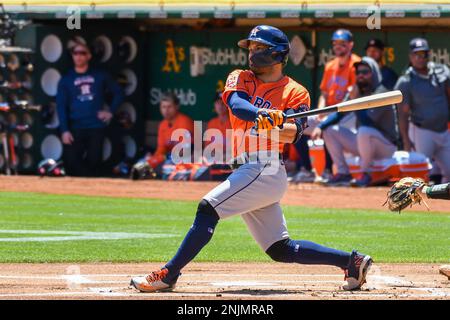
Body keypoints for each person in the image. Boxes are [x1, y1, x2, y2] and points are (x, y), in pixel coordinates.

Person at [130, 25, 372, 293]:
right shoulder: (241, 77)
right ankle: (352, 262)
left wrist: (276, 124)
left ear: (277, 54)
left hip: (264, 167)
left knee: (207, 208)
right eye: (251, 48)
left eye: (259, 48)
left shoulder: (296, 92)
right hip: (248, 170)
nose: (251, 53)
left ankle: (169, 274)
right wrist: (262, 114)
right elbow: (237, 106)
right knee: (280, 249)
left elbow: (294, 134)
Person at [311, 57, 399, 187]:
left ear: (374, 73)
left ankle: (365, 173)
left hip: (386, 146)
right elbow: (339, 113)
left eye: (365, 72)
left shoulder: (382, 92)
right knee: (330, 130)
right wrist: (321, 126)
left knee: (364, 131)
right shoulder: (356, 90)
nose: (361, 75)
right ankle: (343, 172)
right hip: (365, 144)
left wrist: (355, 98)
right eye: (358, 72)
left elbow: (368, 121)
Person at [56, 41, 123, 177]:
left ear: (89, 56)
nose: (79, 56)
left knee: (94, 161)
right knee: (72, 162)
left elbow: (118, 92)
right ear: (72, 56)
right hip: (75, 127)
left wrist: (110, 111)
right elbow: (61, 106)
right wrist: (64, 130)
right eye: (76, 53)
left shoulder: (100, 75)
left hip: (95, 126)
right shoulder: (66, 79)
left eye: (83, 53)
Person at [305, 29, 361, 184]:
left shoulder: (355, 63)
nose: (338, 47)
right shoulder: (330, 65)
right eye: (336, 43)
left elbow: (352, 96)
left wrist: (325, 119)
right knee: (300, 124)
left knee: (328, 129)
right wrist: (321, 112)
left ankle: (342, 171)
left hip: (348, 114)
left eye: (342, 44)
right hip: (329, 111)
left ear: (350, 45)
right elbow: (324, 93)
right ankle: (306, 168)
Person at [395, 38, 450, 183]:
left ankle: (442, 204)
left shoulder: (441, 71)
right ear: (410, 56)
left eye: (423, 54)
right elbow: (402, 113)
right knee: (420, 175)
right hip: (421, 132)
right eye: (416, 54)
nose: (420, 58)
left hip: (444, 131)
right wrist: (406, 140)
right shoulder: (406, 80)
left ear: (428, 54)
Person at [146, 92, 194, 172]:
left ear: (177, 107)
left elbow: (185, 149)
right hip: (170, 159)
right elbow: (161, 148)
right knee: (146, 162)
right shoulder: (162, 125)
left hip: (187, 159)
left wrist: (164, 157)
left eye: (169, 107)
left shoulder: (184, 121)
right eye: (163, 107)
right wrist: (154, 158)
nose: (166, 110)